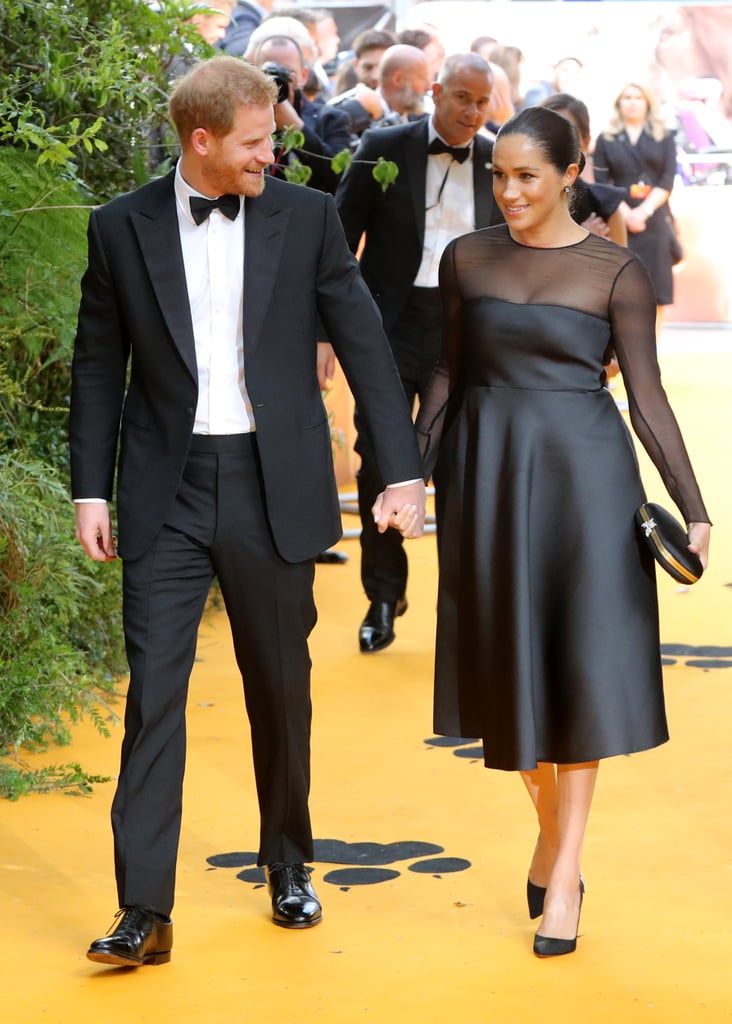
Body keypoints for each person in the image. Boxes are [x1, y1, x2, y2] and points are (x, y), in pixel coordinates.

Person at [70, 55, 426, 968]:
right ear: (203, 141)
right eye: (259, 141)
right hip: (165, 487)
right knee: (155, 698)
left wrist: (401, 470)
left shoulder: (305, 218)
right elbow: (99, 363)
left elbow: (366, 348)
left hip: (275, 483)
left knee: (281, 686)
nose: (276, 153)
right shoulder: (120, 227)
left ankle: (289, 863)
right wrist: (90, 488)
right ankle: (143, 909)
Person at [410, 106, 710, 957]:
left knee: (575, 670)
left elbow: (646, 398)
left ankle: (565, 873)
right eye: (497, 175)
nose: (507, 191)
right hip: (488, 479)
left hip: (586, 481)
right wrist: (412, 473)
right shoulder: (466, 257)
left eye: (525, 176)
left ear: (570, 174)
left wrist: (692, 506)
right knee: (506, 663)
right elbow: (446, 373)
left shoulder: (616, 272)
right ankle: (552, 835)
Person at [335, 53, 503, 654]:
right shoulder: (384, 145)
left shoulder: (499, 158)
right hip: (388, 326)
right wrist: (327, 333)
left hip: (466, 332)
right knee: (380, 460)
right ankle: (383, 595)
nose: (472, 111)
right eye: (462, 97)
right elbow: (338, 238)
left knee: (461, 467)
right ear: (435, 91)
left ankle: (462, 609)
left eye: (482, 102)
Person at [592, 83, 679, 332]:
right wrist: (626, 213)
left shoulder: (665, 135)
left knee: (656, 290)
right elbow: (601, 182)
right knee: (622, 288)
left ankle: (653, 350)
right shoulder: (607, 138)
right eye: (627, 97)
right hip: (619, 217)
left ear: (648, 102)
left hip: (655, 218)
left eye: (638, 97)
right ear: (619, 103)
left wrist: (644, 211)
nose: (632, 102)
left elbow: (667, 179)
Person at [250, 33, 351, 193]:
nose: (277, 81)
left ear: (303, 76)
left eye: (286, 72)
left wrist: (298, 128)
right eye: (269, 72)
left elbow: (340, 180)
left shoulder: (331, 119)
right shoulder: (243, 119)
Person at [540, 93, 627, 245]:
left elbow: (622, 267)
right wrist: (580, 242)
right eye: (545, 134)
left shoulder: (604, 205)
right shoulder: (519, 198)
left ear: (586, 143)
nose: (555, 144)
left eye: (566, 135)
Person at [328, 44, 432, 141]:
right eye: (422, 78)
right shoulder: (350, 112)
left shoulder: (422, 118)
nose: (428, 87)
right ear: (398, 79)